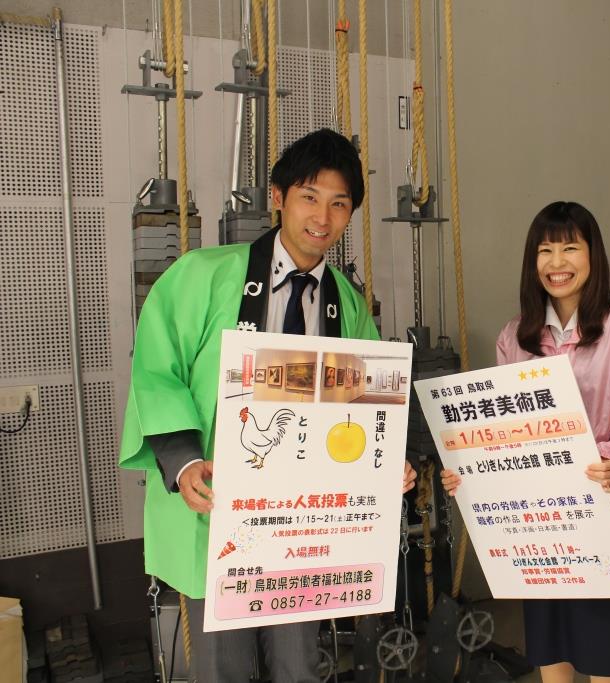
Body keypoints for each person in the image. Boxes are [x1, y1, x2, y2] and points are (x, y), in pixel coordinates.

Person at [119, 128, 417, 683]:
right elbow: (157, 369)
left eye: (339, 204)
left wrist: (385, 464)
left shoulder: (347, 303)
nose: (322, 218)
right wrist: (184, 461)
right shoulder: (204, 275)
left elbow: (367, 405)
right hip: (217, 510)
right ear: (278, 197)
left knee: (298, 664)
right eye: (309, 197)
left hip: (302, 524)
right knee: (221, 668)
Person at [441, 201, 610, 682]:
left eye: (570, 248)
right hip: (538, 528)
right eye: (545, 251)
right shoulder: (515, 335)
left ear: (593, 255)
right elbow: (501, 434)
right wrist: (470, 472)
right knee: (552, 656)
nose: (557, 263)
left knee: (608, 661)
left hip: (605, 519)